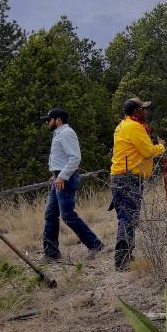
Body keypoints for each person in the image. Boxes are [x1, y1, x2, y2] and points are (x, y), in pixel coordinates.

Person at [110, 97, 165, 270]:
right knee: (128, 218)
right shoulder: (134, 127)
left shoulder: (121, 126)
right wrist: (161, 146)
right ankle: (122, 260)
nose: (146, 111)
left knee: (124, 217)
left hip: (119, 176)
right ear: (136, 111)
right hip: (129, 178)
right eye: (143, 108)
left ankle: (126, 256)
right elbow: (148, 151)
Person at [41, 108, 103, 262]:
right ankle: (51, 253)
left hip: (65, 179)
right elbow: (62, 158)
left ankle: (95, 244)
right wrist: (55, 175)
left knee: (67, 215)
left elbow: (75, 158)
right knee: (50, 214)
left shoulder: (67, 133)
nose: (47, 122)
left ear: (58, 120)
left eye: (49, 119)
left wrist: (61, 176)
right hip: (60, 177)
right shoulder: (59, 134)